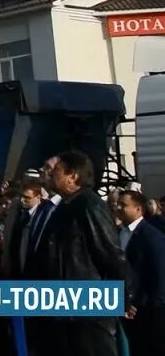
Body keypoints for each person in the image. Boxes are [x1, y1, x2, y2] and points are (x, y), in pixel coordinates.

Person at [33, 151, 126, 356]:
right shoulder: (64, 207)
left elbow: (111, 255)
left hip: (88, 312)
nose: (50, 175)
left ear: (72, 176)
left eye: (56, 170)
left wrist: (125, 297)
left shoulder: (89, 206)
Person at [118, 190, 165, 355]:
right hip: (126, 307)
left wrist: (147, 305)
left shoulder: (151, 236)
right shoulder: (120, 233)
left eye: (123, 205)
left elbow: (159, 274)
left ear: (138, 209)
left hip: (147, 311)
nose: (118, 208)